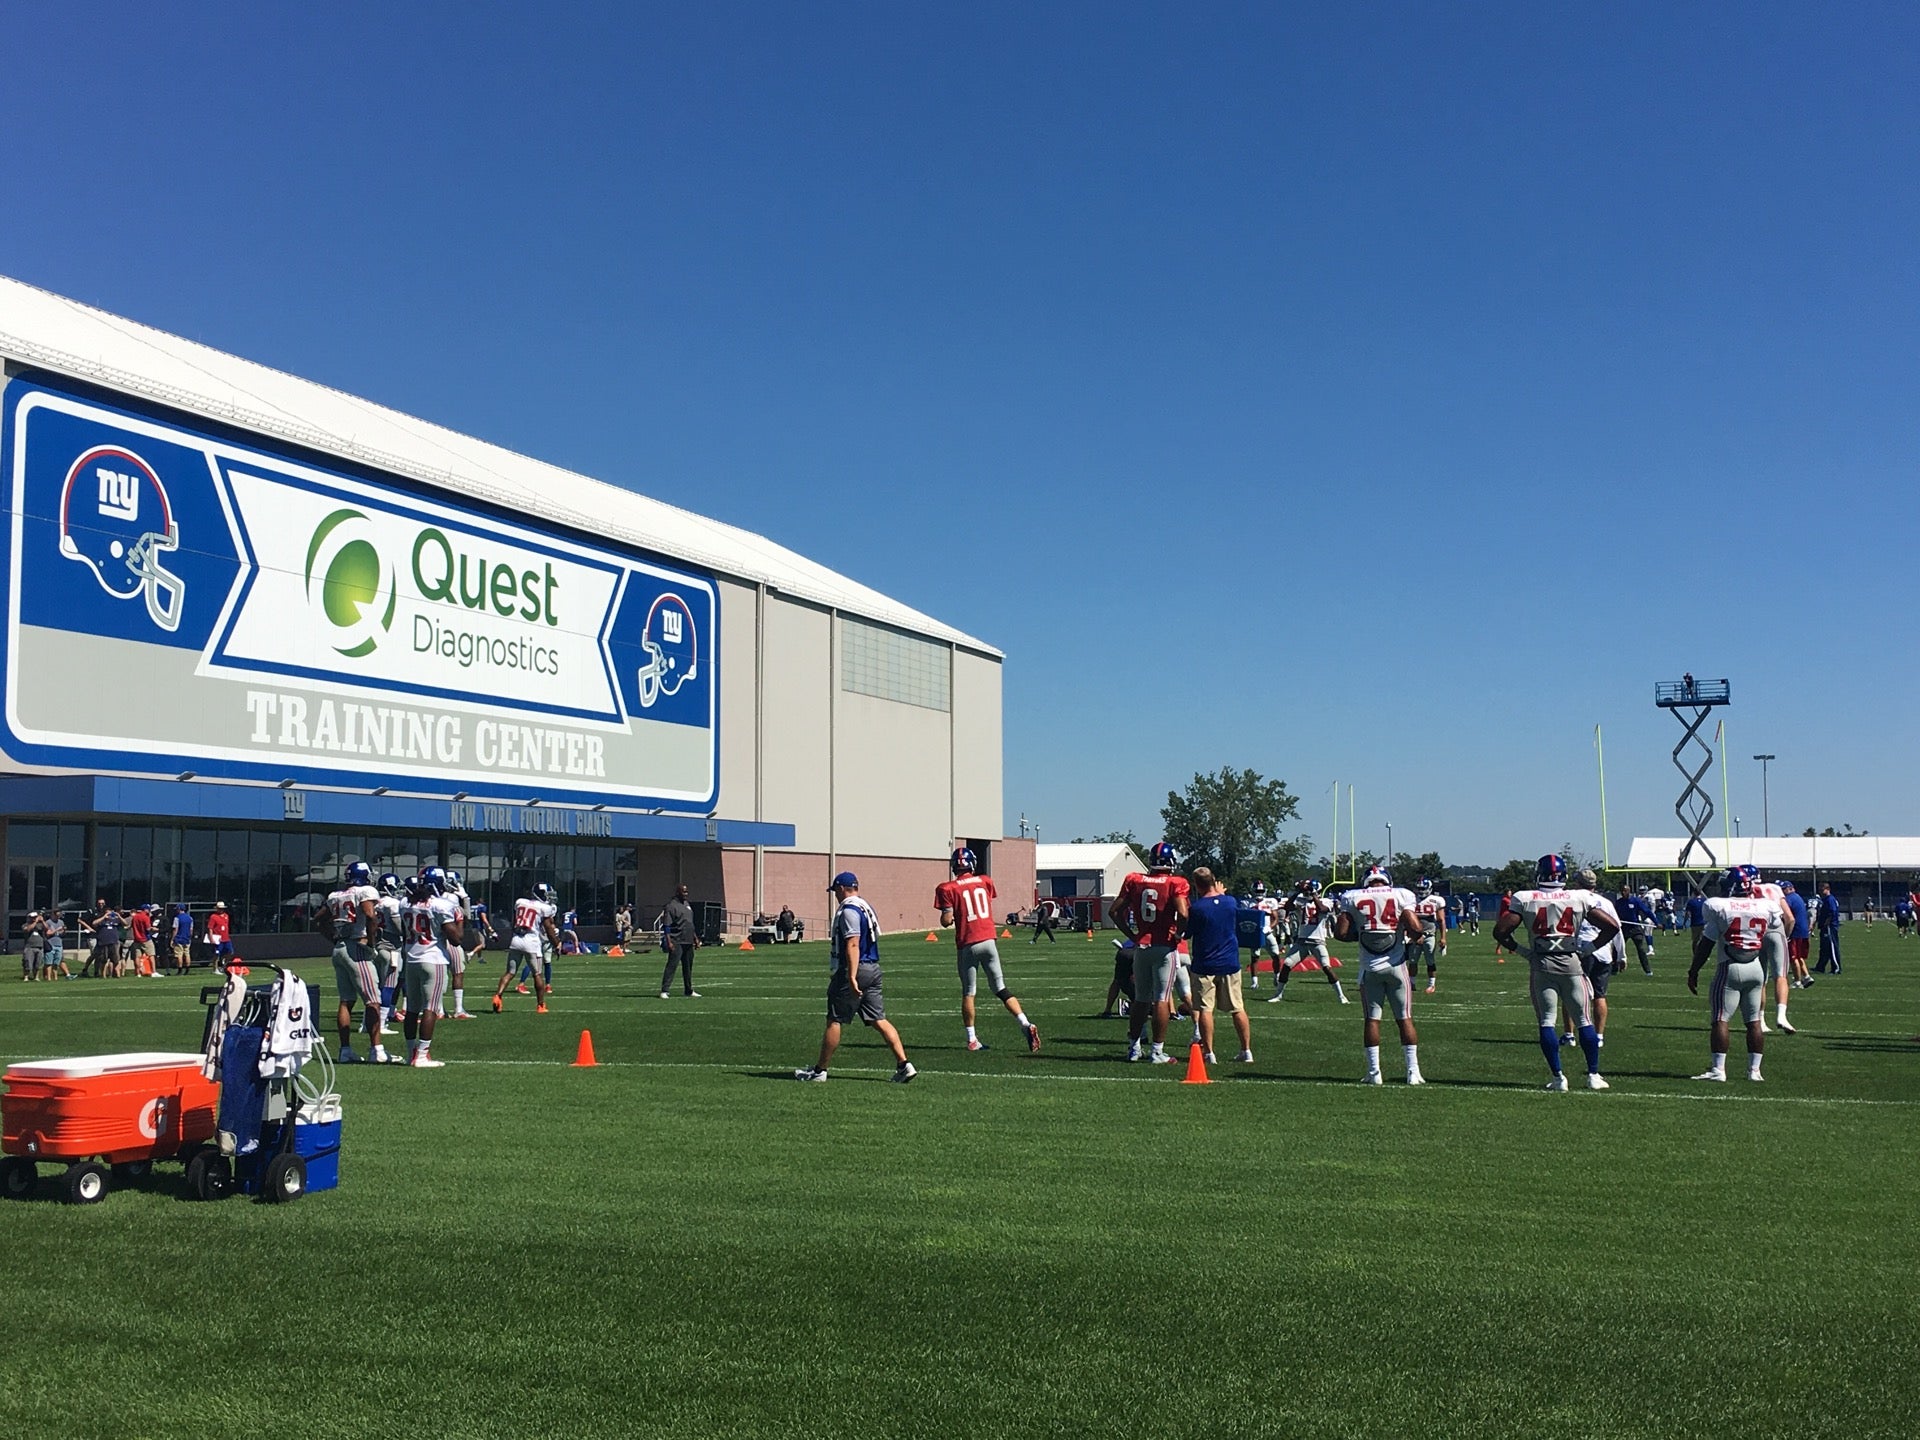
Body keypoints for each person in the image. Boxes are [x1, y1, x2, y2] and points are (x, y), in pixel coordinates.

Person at [1493, 855, 1617, 1092]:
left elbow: (1500, 931)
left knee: (1547, 1022)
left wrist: (1522, 951)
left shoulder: (1525, 897)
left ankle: (1558, 1077)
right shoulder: (1578, 896)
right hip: (1572, 963)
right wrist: (1588, 949)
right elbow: (1612, 926)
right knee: (1583, 1020)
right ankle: (1593, 1075)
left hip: (1541, 964)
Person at [794, 873, 914, 1083]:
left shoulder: (849, 910)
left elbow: (852, 943)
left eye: (836, 891)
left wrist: (851, 976)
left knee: (834, 1019)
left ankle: (820, 1070)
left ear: (841, 888)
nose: (835, 896)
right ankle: (904, 1064)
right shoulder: (865, 906)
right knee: (878, 1019)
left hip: (857, 968)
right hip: (873, 967)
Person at [935, 847, 1039, 1053]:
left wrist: (952, 916)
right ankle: (1025, 1023)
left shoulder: (947, 888)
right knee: (1000, 988)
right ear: (972, 864)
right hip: (989, 940)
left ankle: (972, 1040)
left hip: (968, 942)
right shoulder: (985, 881)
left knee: (969, 992)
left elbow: (946, 920)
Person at [1333, 865, 1425, 1085]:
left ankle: (1374, 1073)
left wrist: (1362, 935)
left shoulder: (1352, 896)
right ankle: (1413, 1072)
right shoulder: (1401, 894)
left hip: (1369, 968)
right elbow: (1416, 928)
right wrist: (1410, 934)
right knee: (1404, 1018)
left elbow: (1340, 933)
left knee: (1372, 1019)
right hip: (1396, 966)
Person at [1688, 866, 1778, 1082]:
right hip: (1756, 967)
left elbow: (1705, 945)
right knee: (1754, 1021)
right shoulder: (1764, 906)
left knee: (1720, 1019)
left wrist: (1693, 971)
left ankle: (1719, 1070)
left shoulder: (1720, 907)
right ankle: (1754, 1071)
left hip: (1730, 966)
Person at [1109, 843, 1191, 1064]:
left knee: (1140, 999)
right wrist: (1178, 934)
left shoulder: (1135, 880)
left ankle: (1134, 1048)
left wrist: (1132, 934)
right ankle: (1157, 1051)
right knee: (1162, 998)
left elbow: (1114, 911)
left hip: (1141, 946)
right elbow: (1183, 914)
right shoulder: (1176, 882)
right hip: (1163, 946)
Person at [324, 861, 388, 1065]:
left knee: (346, 1000)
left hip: (340, 948)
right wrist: (371, 942)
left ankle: (345, 1050)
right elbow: (370, 915)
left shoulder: (335, 896)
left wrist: (333, 938)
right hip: (357, 949)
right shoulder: (366, 891)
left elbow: (318, 919)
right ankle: (376, 1050)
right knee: (373, 1001)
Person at [1186, 869, 1252, 1062]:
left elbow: (1188, 933)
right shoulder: (1230, 901)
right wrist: (1221, 894)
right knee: (1237, 1007)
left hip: (1205, 963)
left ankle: (1209, 1053)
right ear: (1214, 881)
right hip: (1229, 962)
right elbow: (1223, 906)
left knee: (1205, 1009)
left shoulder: (1197, 908)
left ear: (1197, 885)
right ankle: (1246, 1050)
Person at [403, 868, 463, 1068]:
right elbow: (456, 939)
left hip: (411, 958)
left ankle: (410, 1052)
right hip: (434, 959)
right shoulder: (440, 905)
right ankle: (421, 1055)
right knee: (431, 1008)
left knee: (411, 1009)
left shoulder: (405, 903)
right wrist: (460, 920)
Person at [1570, 869, 1625, 1049]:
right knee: (1599, 995)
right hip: (1603, 953)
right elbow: (1617, 930)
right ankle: (1599, 1036)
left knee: (1571, 994)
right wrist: (1621, 955)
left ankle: (1570, 1034)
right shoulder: (1606, 902)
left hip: (1580, 949)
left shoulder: (1571, 897)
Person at [1271, 880, 1348, 1005]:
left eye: (1309, 890)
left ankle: (1341, 996)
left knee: (1327, 968)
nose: (1307, 893)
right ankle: (1278, 995)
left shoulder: (1325, 901)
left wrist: (1314, 895)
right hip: (1302, 941)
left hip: (1318, 941)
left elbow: (1322, 909)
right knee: (1286, 965)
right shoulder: (1301, 900)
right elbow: (1287, 907)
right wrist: (1297, 892)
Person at [494, 883, 558, 1012]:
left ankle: (498, 996)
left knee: (510, 972)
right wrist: (557, 944)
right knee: (537, 974)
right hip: (532, 942)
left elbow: (515, 922)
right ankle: (541, 1006)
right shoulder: (544, 908)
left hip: (516, 940)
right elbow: (549, 930)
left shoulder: (520, 902)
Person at [659, 884, 702, 998]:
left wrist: (695, 938)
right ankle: (665, 990)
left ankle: (688, 990)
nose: (686, 894)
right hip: (676, 940)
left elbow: (689, 923)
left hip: (688, 940)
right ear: (678, 893)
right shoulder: (671, 906)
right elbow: (667, 926)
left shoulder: (687, 905)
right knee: (672, 965)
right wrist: (669, 941)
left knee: (688, 967)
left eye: (687, 892)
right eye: (684, 892)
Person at [1242, 880, 1284, 992]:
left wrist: (1269, 927)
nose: (1259, 893)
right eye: (1257, 891)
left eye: (1261, 890)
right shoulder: (1247, 903)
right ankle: (1254, 982)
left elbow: (1275, 918)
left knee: (1276, 955)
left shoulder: (1271, 901)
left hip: (1268, 932)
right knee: (1255, 957)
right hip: (1255, 934)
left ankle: (1277, 976)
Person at [1412, 878, 1447, 993]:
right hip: (1414, 935)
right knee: (1412, 961)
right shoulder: (1411, 899)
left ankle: (1431, 984)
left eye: (1423, 888)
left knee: (1430, 961)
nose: (1421, 891)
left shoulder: (1436, 900)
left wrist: (1443, 937)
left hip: (1429, 934)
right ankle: (1411, 983)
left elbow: (1441, 920)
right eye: (1419, 888)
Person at [1814, 882, 1843, 973]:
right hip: (1825, 926)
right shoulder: (1825, 899)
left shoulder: (1830, 899)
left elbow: (1832, 912)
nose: (1821, 892)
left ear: (1827, 889)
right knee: (1824, 948)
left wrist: (1827, 923)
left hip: (1830, 927)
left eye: (1822, 890)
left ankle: (1836, 968)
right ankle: (1820, 966)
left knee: (1832, 947)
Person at [125, 902, 157, 978]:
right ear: (145, 909)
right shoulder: (145, 917)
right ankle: (153, 972)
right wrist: (154, 929)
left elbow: (131, 926)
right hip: (145, 939)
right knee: (151, 955)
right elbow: (148, 929)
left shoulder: (135, 917)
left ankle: (138, 973)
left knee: (137, 957)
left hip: (136, 939)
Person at [206, 900, 234, 971]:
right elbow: (210, 928)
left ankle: (224, 965)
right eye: (219, 908)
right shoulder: (213, 917)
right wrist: (211, 938)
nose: (221, 910)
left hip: (226, 938)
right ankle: (215, 968)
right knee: (216, 954)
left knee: (230, 952)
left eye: (222, 908)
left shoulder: (226, 916)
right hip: (218, 939)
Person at [168, 904, 193, 976]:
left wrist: (172, 939)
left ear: (179, 909)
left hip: (179, 938)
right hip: (187, 938)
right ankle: (187, 969)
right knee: (187, 954)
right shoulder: (190, 918)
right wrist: (189, 937)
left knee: (179, 954)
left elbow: (175, 929)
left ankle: (180, 969)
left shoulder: (177, 918)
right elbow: (191, 929)